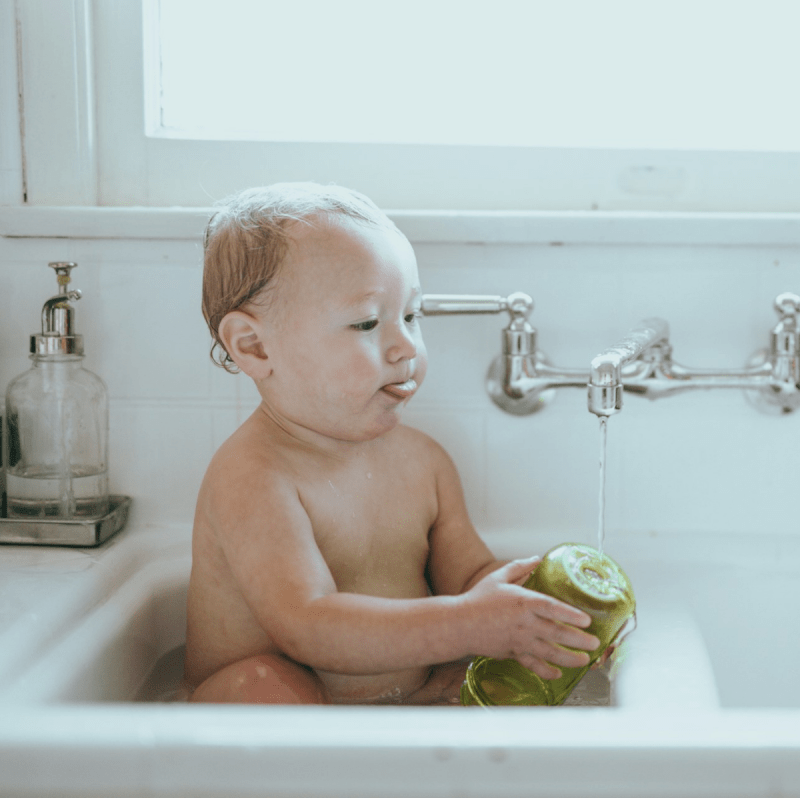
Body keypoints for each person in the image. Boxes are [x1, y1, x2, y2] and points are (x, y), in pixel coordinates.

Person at [182, 182, 600, 705]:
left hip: (395, 702)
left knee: (482, 682)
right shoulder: (253, 476)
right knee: (264, 686)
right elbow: (308, 625)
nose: (405, 345)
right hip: (263, 723)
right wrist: (466, 624)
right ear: (254, 347)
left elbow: (469, 579)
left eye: (411, 316)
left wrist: (541, 607)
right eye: (366, 323)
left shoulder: (424, 462)